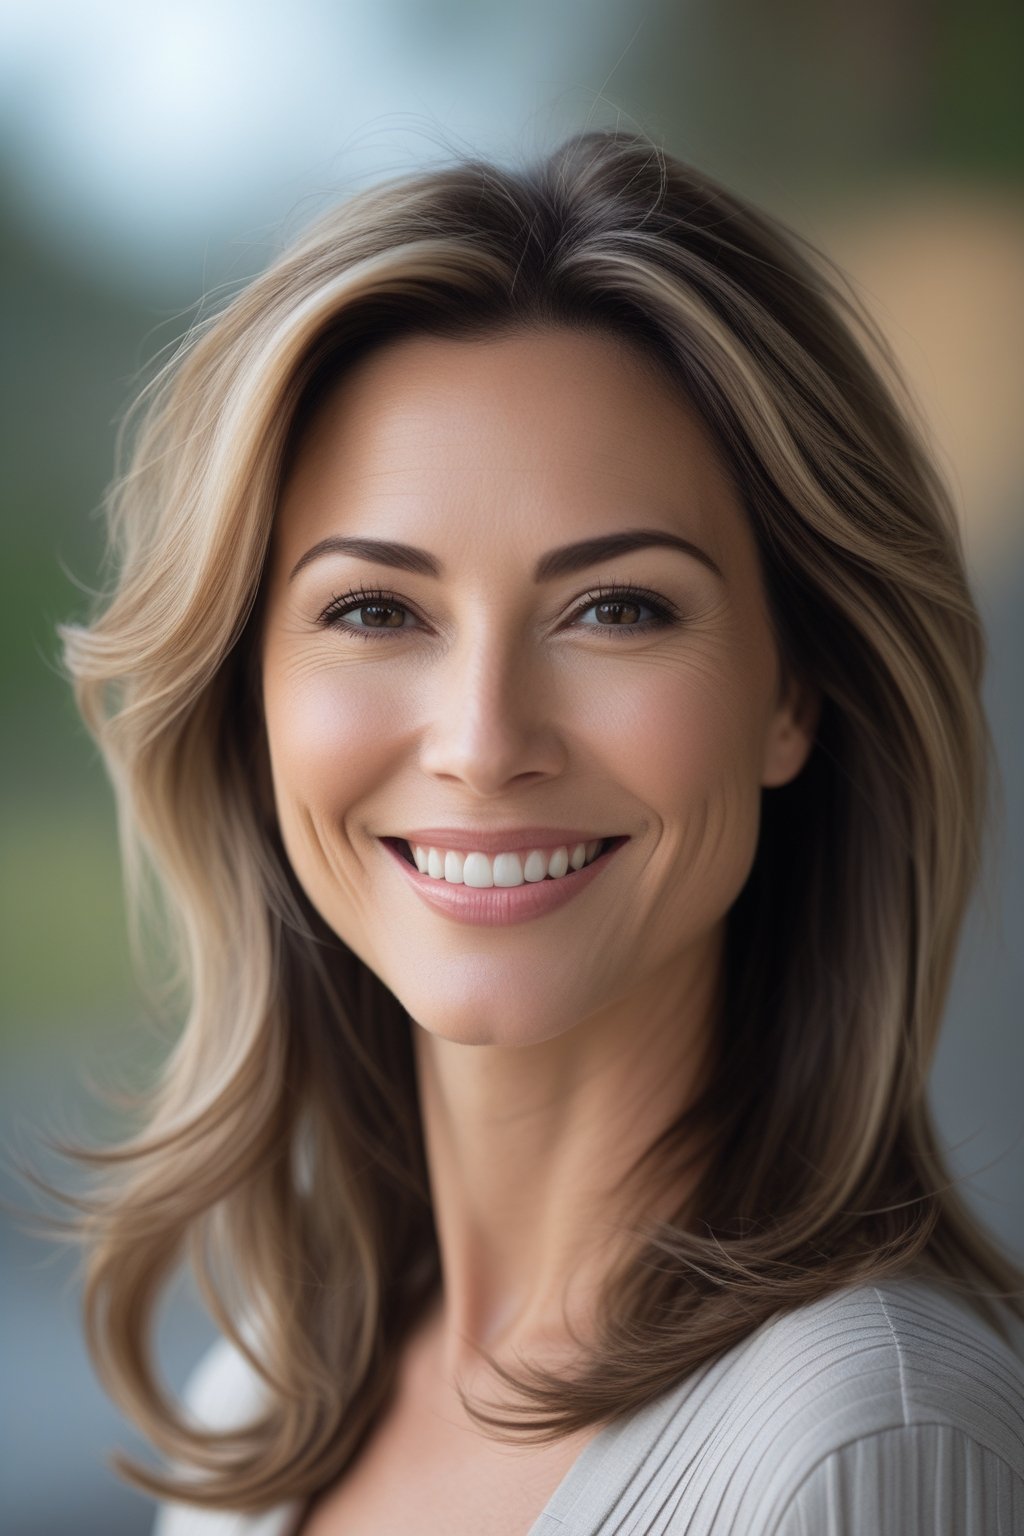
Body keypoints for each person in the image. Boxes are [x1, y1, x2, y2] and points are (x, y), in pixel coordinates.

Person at [48, 128, 1023, 1533]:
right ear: (249, 700)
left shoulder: (858, 1446)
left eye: (617, 607)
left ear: (792, 690)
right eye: (375, 611)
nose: (485, 740)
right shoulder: (255, 1407)